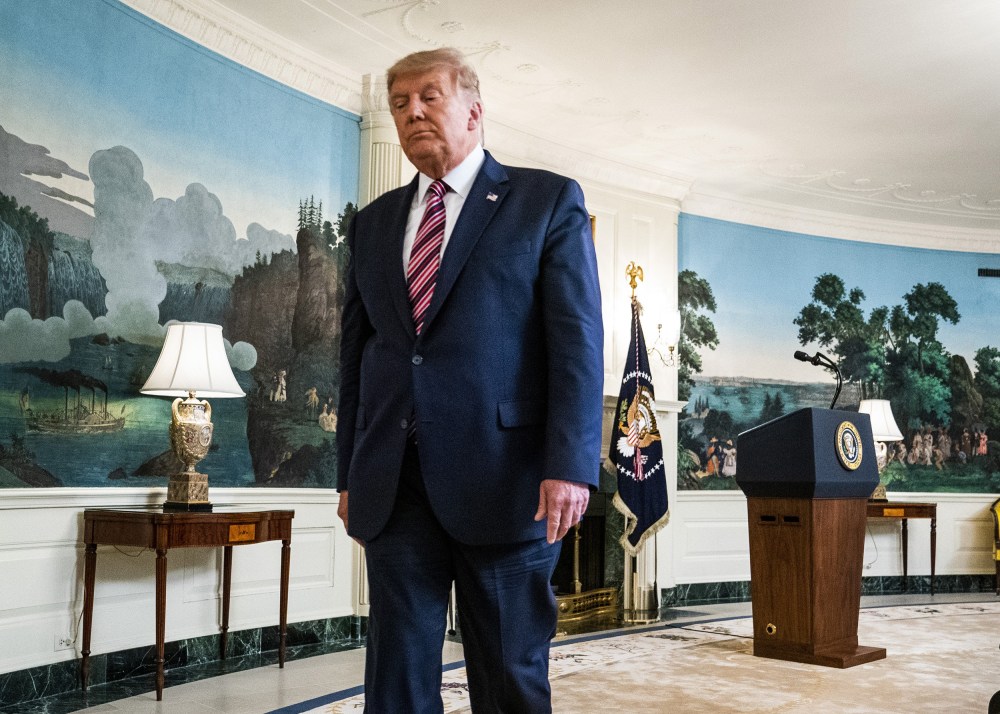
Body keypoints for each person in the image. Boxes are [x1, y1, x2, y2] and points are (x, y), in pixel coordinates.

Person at [336, 47, 604, 713]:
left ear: (475, 111)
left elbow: (576, 343)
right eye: (399, 104)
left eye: (429, 96)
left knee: (509, 675)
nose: (412, 112)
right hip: (394, 485)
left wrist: (570, 465)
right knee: (395, 681)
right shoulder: (372, 225)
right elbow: (355, 360)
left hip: (507, 483)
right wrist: (347, 474)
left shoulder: (545, 201)